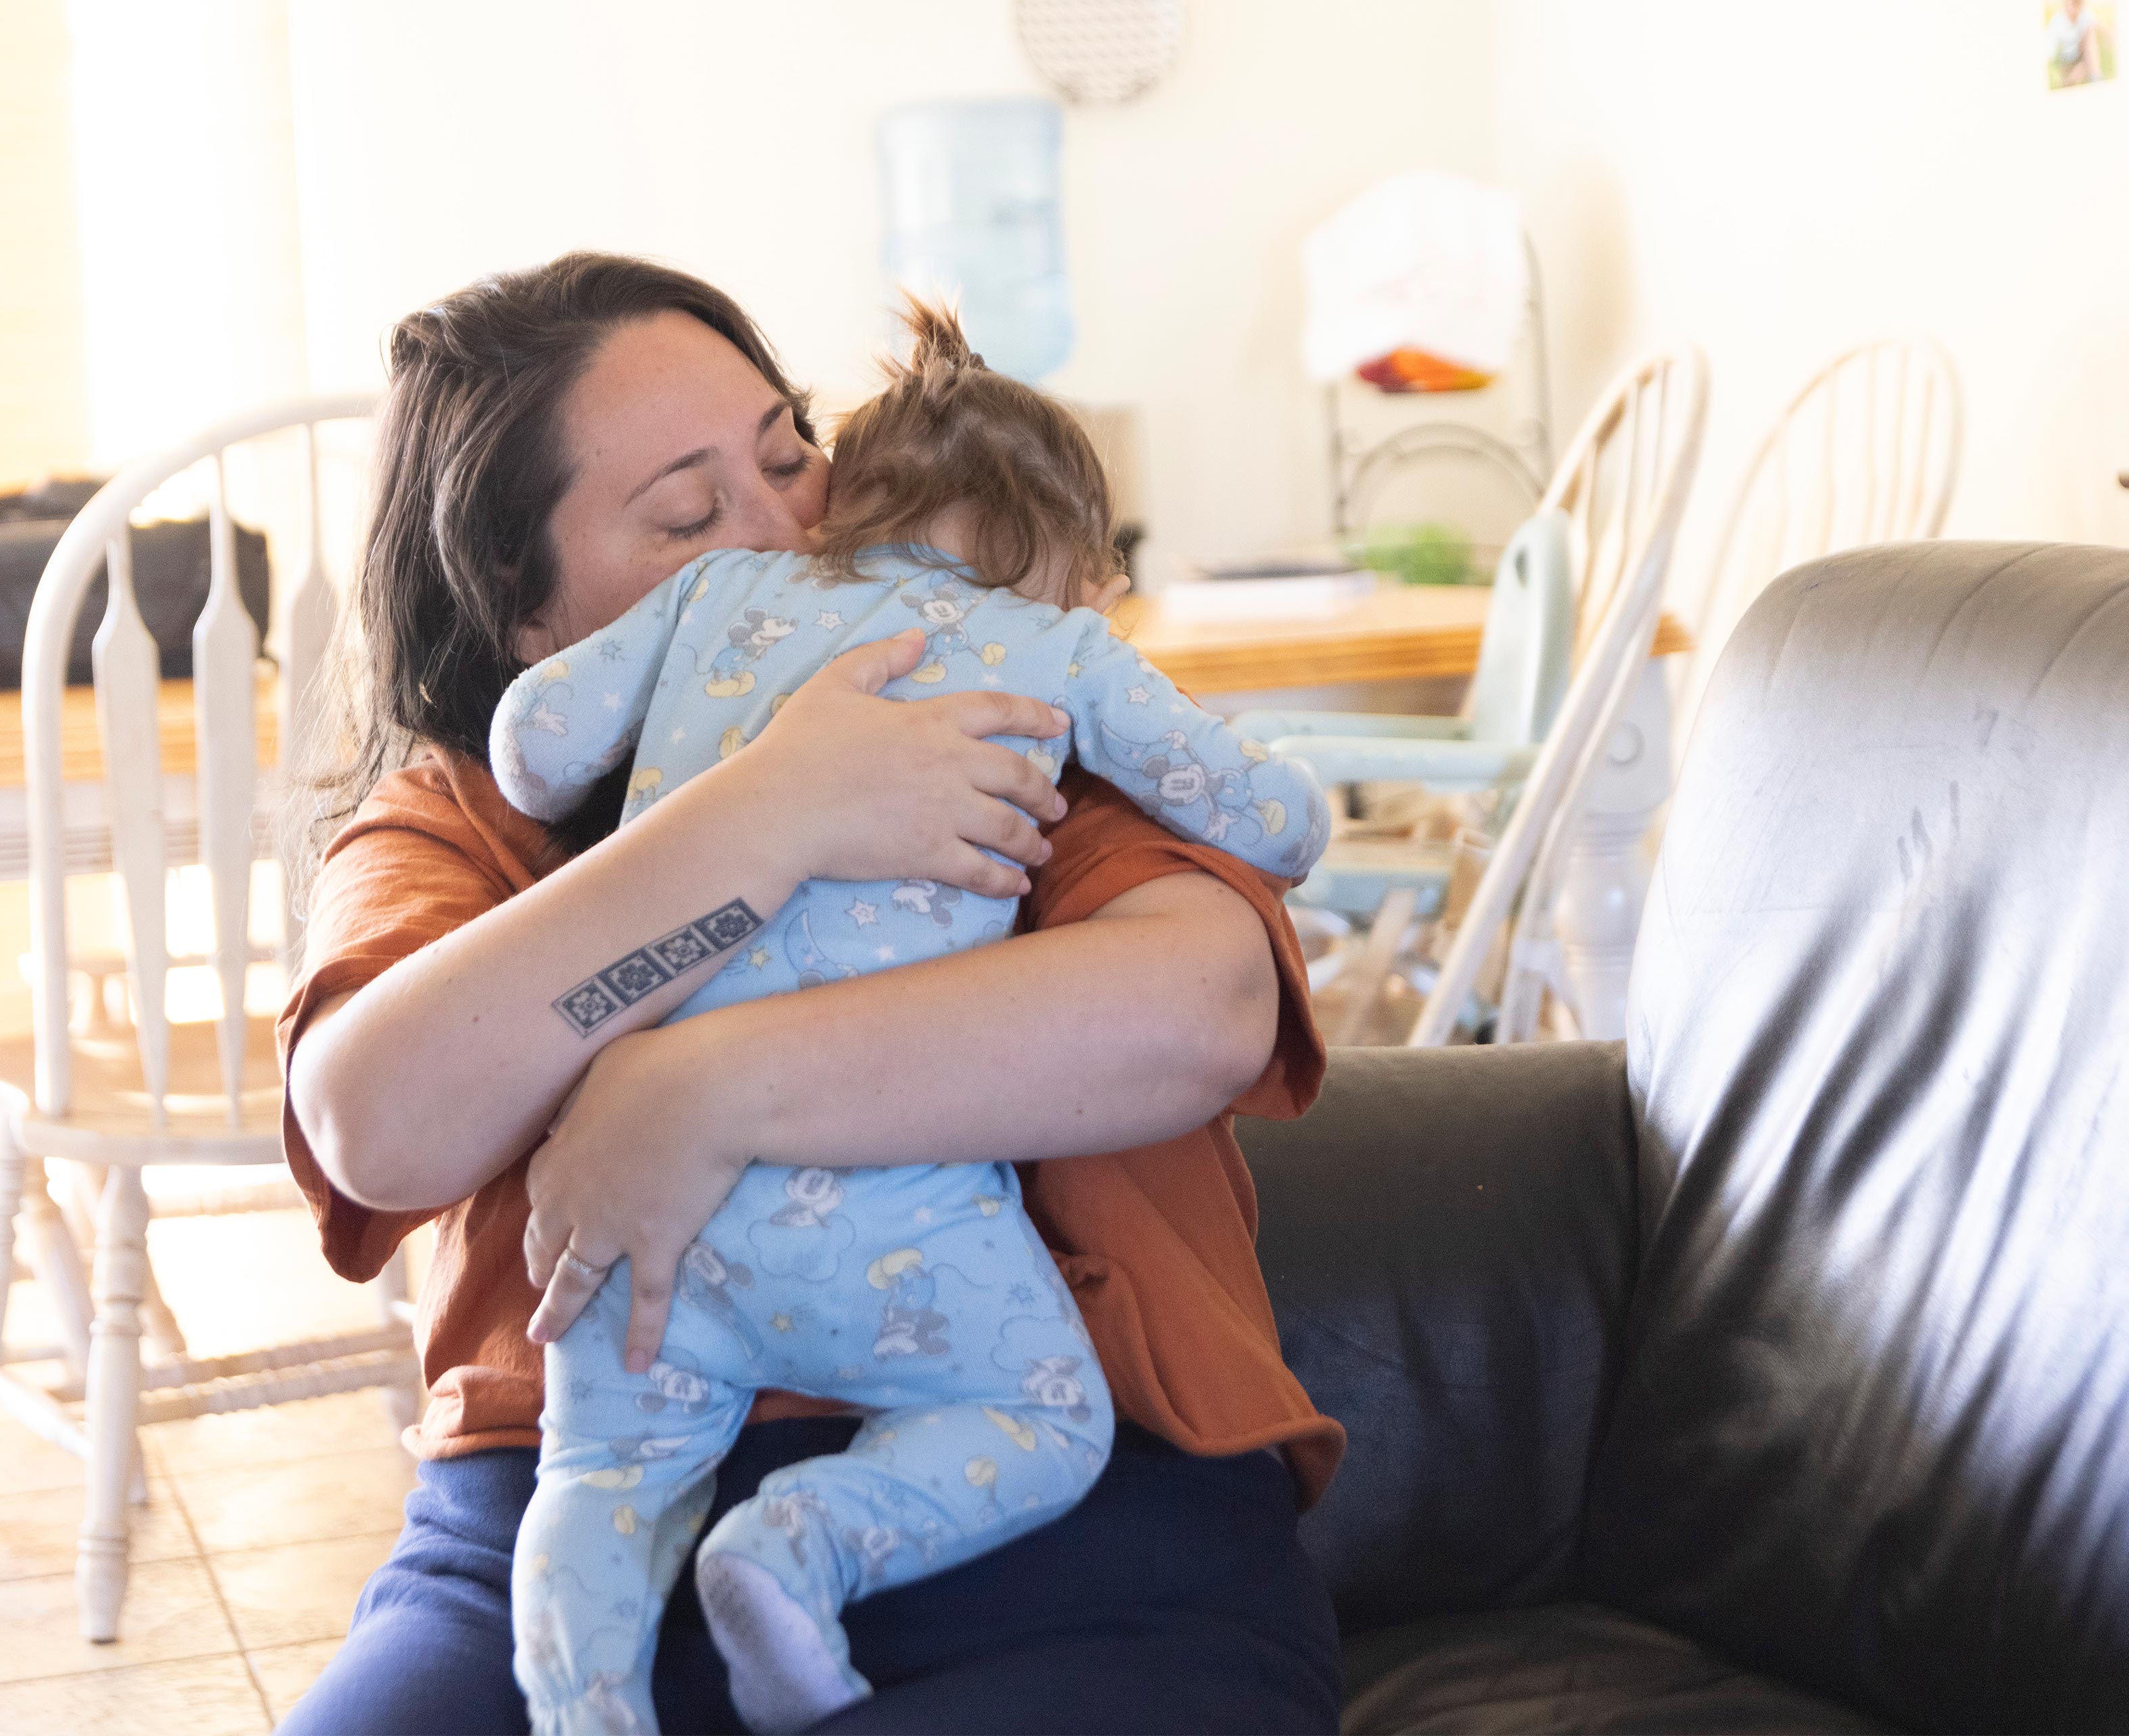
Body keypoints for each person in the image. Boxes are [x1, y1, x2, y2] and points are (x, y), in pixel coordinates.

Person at [277, 252, 1346, 1735]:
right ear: (528, 616)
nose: (784, 530)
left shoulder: (998, 711)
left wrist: (696, 1090)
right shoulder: (459, 819)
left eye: (791, 456)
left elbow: (1197, 1008)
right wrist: (769, 814)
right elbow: (378, 1118)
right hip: (560, 1514)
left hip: (1061, 1525)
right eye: (687, 513)